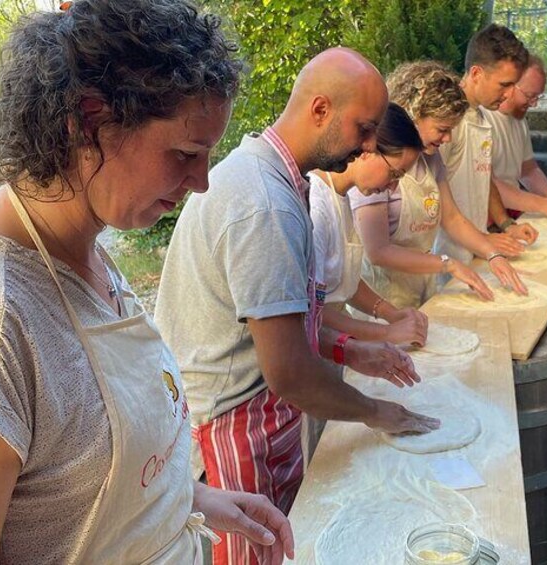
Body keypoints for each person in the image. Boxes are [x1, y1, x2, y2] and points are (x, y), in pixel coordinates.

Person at [0, 1, 293, 563]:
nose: (201, 183)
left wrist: (192, 499)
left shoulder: (90, 253)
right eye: (186, 153)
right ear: (91, 122)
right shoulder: (6, 316)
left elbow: (73, 490)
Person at [154, 48, 439, 565]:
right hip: (230, 425)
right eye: (365, 128)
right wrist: (377, 412)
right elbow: (290, 373)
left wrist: (353, 352)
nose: (371, 144)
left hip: (257, 415)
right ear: (321, 109)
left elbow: (280, 325)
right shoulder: (263, 203)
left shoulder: (282, 180)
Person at [351, 61, 528, 310]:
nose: (448, 139)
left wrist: (492, 253)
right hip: (381, 301)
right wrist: (447, 264)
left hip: (422, 289)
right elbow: (378, 251)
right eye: (442, 129)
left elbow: (452, 218)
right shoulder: (377, 167)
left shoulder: (431, 160)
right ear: (414, 116)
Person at [310, 102, 429, 344]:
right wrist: (386, 333)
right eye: (395, 174)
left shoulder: (342, 197)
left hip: (339, 342)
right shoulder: (316, 207)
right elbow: (311, 311)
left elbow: (345, 280)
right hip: (320, 346)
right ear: (367, 150)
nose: (393, 186)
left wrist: (390, 313)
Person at [435, 23, 539, 266]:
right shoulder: (446, 123)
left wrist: (505, 225)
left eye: (514, 85)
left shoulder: (481, 117)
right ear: (476, 74)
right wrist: (482, 239)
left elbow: (485, 176)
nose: (509, 94)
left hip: (475, 251)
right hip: (445, 258)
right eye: (504, 84)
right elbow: (431, 198)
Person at [484, 54, 547, 219]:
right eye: (530, 96)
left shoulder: (518, 119)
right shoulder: (483, 120)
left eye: (538, 96)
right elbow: (486, 183)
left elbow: (528, 170)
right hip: (483, 219)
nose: (534, 103)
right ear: (510, 85)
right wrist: (542, 205)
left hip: (510, 212)